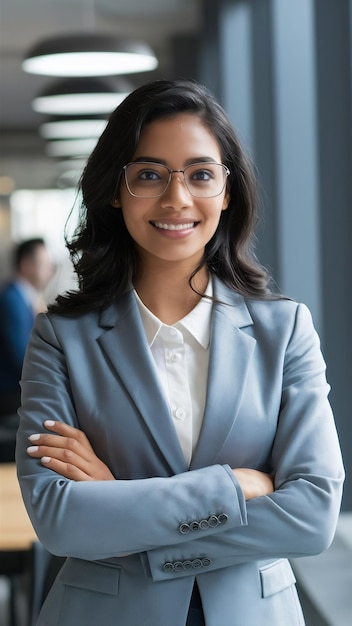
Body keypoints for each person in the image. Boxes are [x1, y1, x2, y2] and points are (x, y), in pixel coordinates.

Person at [16, 79, 344, 626]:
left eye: (200, 174)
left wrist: (119, 500)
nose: (177, 199)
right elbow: (60, 522)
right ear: (116, 190)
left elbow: (311, 516)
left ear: (227, 191)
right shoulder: (60, 338)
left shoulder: (285, 329)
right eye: (149, 175)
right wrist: (237, 486)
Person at [0, 238, 54, 416]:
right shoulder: (11, 299)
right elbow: (22, 357)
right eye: (44, 263)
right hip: (11, 394)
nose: (50, 269)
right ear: (26, 264)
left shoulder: (27, 297)